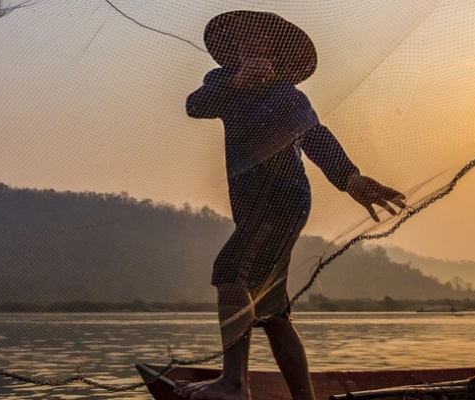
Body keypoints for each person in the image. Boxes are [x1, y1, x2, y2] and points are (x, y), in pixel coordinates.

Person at [177, 10, 407, 400]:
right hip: (250, 204)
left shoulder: (287, 95)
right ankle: (305, 397)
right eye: (244, 39)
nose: (252, 44)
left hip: (284, 199)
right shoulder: (221, 82)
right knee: (270, 308)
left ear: (274, 53)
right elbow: (195, 106)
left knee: (231, 270)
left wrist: (350, 179)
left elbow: (315, 137)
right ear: (234, 48)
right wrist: (235, 82)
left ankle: (234, 383)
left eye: (261, 41)